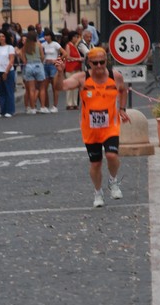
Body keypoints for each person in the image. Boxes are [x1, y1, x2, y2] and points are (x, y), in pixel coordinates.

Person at [54, 46, 130, 207]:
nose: (99, 66)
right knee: (96, 163)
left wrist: (122, 109)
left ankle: (113, 181)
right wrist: (60, 72)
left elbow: (123, 90)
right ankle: (98, 193)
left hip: (110, 126)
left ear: (106, 61)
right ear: (89, 63)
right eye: (95, 63)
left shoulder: (115, 77)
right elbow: (60, 87)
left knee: (111, 156)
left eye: (102, 62)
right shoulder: (82, 78)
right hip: (90, 128)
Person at [20, 30, 46, 114]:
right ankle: (42, 107)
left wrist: (26, 62)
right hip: (38, 64)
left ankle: (32, 108)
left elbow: (23, 58)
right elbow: (42, 56)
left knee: (31, 89)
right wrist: (40, 62)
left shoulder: (25, 46)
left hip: (29, 66)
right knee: (42, 88)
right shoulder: (39, 45)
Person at [0, 29, 16, 118]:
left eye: (3, 36)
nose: (1, 38)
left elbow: (11, 60)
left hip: (8, 71)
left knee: (8, 91)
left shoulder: (10, 47)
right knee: (0, 92)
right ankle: (2, 110)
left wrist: (6, 72)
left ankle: (10, 110)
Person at [42, 28, 66, 113]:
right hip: (45, 65)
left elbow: (64, 53)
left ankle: (55, 106)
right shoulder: (43, 44)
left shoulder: (55, 44)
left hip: (53, 65)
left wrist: (57, 60)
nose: (45, 37)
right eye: (44, 35)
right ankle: (46, 105)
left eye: (47, 35)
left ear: (50, 36)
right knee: (44, 87)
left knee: (54, 86)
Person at [64, 30, 83, 109]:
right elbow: (67, 57)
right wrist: (78, 59)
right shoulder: (68, 45)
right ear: (72, 38)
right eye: (76, 37)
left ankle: (74, 103)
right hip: (70, 68)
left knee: (75, 87)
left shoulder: (75, 46)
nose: (77, 38)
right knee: (69, 86)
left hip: (76, 68)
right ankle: (69, 103)